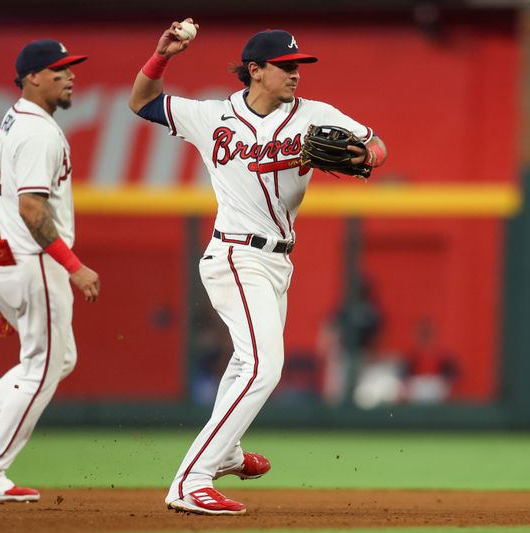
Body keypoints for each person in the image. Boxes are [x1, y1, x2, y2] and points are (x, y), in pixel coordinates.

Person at [128, 20, 387, 515]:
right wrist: (162, 56)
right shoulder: (213, 116)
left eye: (299, 66)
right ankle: (191, 479)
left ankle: (224, 451)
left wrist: (368, 157)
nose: (296, 74)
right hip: (235, 254)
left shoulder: (315, 114)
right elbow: (141, 102)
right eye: (286, 66)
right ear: (255, 71)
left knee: (244, 365)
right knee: (265, 366)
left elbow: (377, 144)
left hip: (277, 261)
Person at [0, 39, 100, 503]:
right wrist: (74, 266)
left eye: (71, 69)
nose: (70, 76)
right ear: (32, 77)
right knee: (43, 368)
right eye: (59, 70)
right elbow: (30, 207)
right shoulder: (39, 133)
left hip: (4, 258)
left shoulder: (10, 121)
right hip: (35, 263)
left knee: (55, 359)